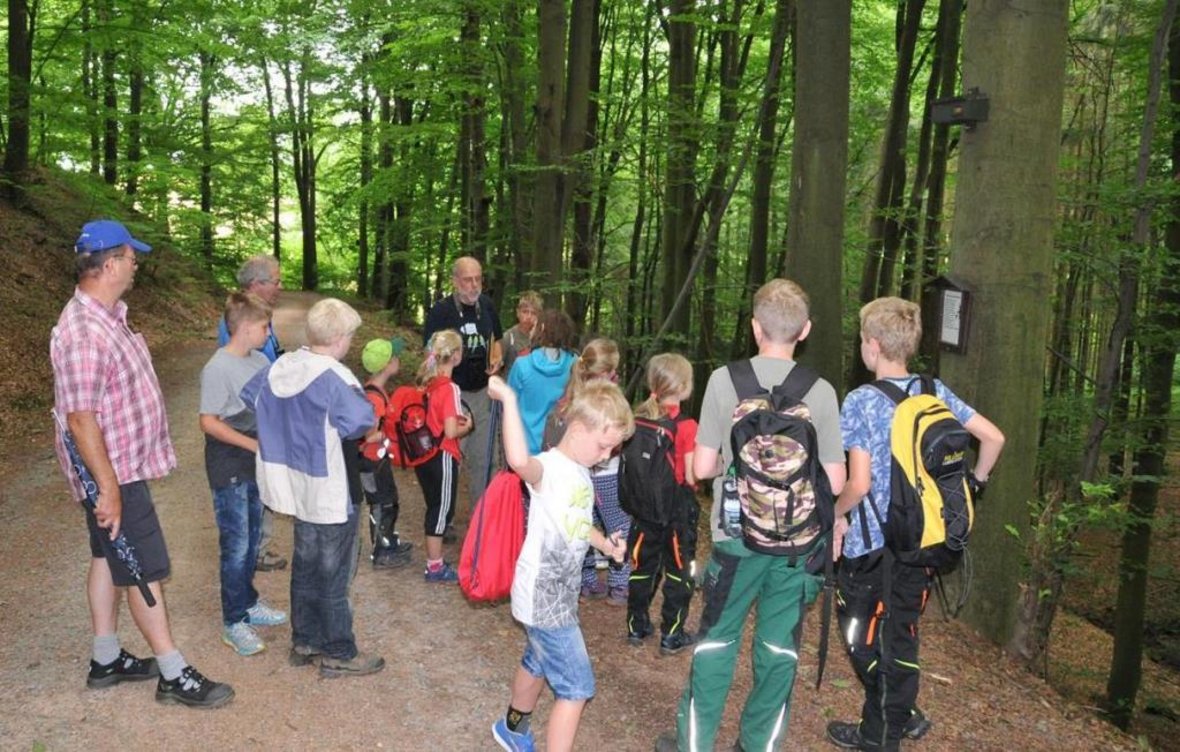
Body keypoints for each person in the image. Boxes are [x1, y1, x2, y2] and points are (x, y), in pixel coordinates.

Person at [656, 279, 846, 752]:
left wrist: (728, 465)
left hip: (736, 539)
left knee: (718, 642)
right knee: (778, 650)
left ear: (755, 327)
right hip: (798, 548)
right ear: (805, 330)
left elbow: (702, 468)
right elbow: (837, 482)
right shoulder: (820, 392)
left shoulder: (726, 380)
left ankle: (693, 745)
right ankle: (757, 744)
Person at [52, 218, 234, 708]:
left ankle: (106, 658)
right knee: (142, 569)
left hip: (116, 468)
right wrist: (108, 488)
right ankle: (173, 673)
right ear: (110, 264)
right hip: (114, 474)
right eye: (132, 258)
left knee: (106, 559)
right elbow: (80, 418)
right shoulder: (86, 331)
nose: (136, 265)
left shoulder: (107, 316)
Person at [825, 297, 1005, 752]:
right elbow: (994, 438)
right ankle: (886, 720)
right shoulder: (933, 389)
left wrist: (836, 513)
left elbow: (859, 483)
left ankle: (885, 730)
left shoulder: (862, 401)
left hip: (872, 547)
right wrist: (975, 485)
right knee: (900, 633)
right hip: (925, 539)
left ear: (873, 345)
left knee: (859, 634)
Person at [488, 375, 634, 752]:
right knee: (576, 686)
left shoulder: (581, 473)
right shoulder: (549, 468)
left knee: (538, 659)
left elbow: (578, 523)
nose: (606, 456)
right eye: (604, 446)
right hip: (543, 597)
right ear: (579, 428)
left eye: (613, 450)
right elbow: (519, 461)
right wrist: (507, 398)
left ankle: (512, 729)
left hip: (558, 595)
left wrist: (607, 545)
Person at [241, 298, 385, 678]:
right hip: (332, 487)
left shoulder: (282, 366)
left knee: (305, 565)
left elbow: (249, 399)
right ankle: (338, 648)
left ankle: (304, 639)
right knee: (334, 572)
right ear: (338, 338)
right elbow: (360, 422)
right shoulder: (335, 377)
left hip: (293, 484)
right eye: (350, 337)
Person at [199, 292, 288, 657]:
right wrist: (254, 447)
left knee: (252, 538)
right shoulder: (218, 367)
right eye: (265, 327)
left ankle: (248, 601)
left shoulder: (256, 360)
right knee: (235, 545)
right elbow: (208, 422)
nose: (269, 333)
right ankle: (234, 620)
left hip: (253, 465)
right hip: (229, 465)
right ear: (247, 327)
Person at [624, 353, 699, 654]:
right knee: (680, 571)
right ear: (682, 387)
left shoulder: (637, 417)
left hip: (643, 508)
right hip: (677, 511)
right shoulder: (686, 425)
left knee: (642, 566)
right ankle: (672, 633)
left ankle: (636, 625)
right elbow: (692, 476)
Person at [217, 254, 287, 573]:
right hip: (249, 416)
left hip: (260, 411)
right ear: (256, 284)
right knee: (255, 480)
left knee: (261, 481)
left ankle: (256, 545)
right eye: (275, 281)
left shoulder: (256, 316)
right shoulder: (241, 322)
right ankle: (254, 550)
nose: (280, 286)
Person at [423, 257, 503, 521]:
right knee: (450, 459)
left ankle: (483, 518)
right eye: (468, 279)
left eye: (478, 279)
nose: (474, 285)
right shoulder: (441, 312)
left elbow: (497, 341)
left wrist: (497, 359)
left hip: (482, 394)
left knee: (484, 459)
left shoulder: (488, 306)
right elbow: (429, 354)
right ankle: (442, 517)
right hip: (451, 394)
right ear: (455, 281)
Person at [552, 339, 630, 605]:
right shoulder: (608, 398)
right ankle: (620, 584)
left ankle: (585, 582)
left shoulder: (573, 395)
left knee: (584, 524)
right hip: (607, 472)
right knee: (618, 525)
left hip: (579, 474)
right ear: (607, 373)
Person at [415, 329, 474, 583]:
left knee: (434, 506)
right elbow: (451, 430)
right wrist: (469, 425)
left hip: (426, 455)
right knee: (442, 510)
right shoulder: (449, 388)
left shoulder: (429, 383)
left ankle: (434, 561)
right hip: (443, 455)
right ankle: (435, 566)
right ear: (456, 355)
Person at [357, 338, 413, 569]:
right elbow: (368, 435)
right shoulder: (374, 398)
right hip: (370, 461)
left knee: (390, 500)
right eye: (395, 357)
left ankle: (388, 542)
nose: (398, 360)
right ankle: (381, 551)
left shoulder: (376, 391)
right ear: (387, 364)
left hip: (378, 460)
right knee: (381, 503)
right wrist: (387, 432)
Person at [506, 308, 578, 454]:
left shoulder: (522, 365)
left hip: (525, 448)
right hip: (560, 447)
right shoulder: (574, 364)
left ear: (542, 329)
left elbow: (508, 404)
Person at [501, 290, 543, 374]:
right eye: (525, 312)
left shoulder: (542, 338)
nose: (529, 316)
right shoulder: (508, 337)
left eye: (533, 313)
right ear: (518, 313)